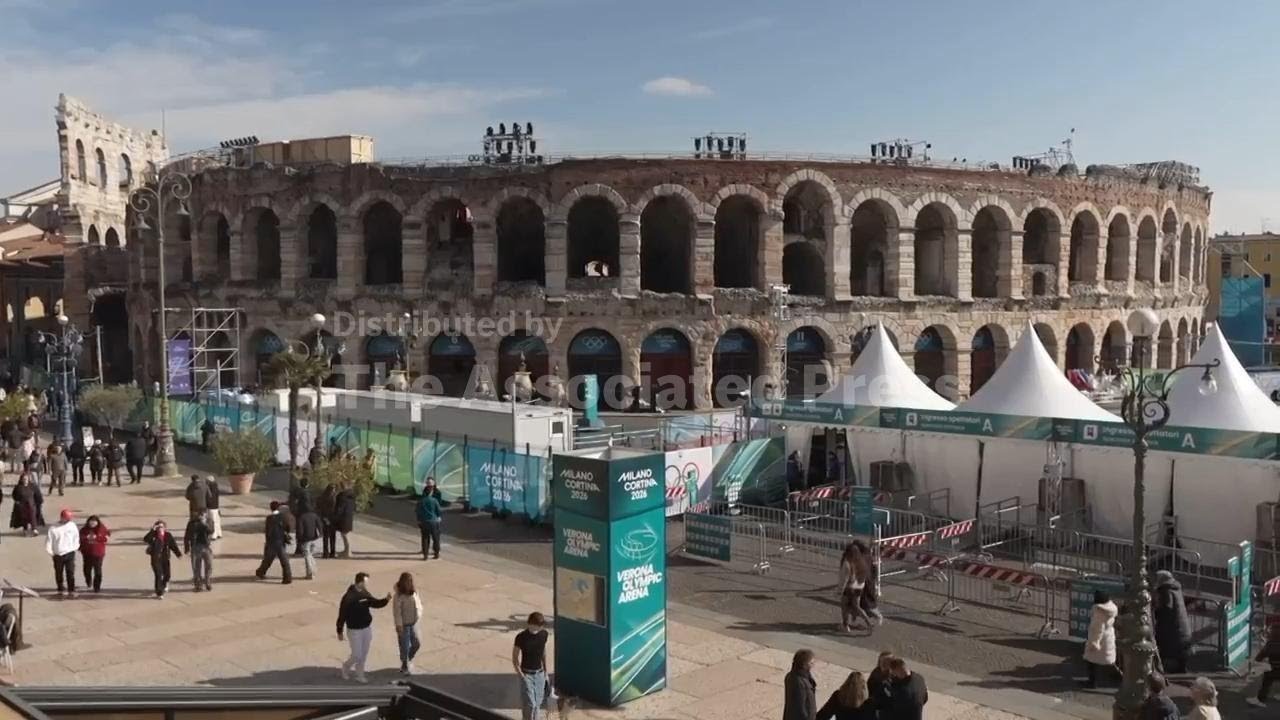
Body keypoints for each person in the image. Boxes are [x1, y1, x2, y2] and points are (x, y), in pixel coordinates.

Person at [336, 572, 391, 683]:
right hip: (354, 630)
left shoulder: (365, 593)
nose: (367, 584)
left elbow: (375, 603)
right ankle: (346, 667)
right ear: (360, 582)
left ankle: (359, 674)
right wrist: (339, 631)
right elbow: (341, 615)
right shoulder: (348, 597)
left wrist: (386, 600)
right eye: (366, 582)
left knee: (364, 654)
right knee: (356, 655)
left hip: (366, 628)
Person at [513, 612, 550, 720]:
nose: (541, 627)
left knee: (537, 705)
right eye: (540, 625)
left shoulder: (543, 634)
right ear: (532, 624)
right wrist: (521, 676)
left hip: (539, 674)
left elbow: (543, 652)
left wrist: (546, 672)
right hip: (526, 674)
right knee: (530, 705)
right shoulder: (521, 637)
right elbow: (515, 658)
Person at [1152, 570, 1191, 675]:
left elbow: (1166, 608)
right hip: (1181, 626)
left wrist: (1156, 611)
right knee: (1179, 650)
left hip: (1172, 626)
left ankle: (1172, 671)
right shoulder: (1176, 589)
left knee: (1170, 649)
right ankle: (1182, 669)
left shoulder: (1166, 590)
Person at [1082, 590, 1119, 688]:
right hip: (1108, 637)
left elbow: (1097, 630)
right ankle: (1118, 674)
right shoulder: (1111, 609)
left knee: (1092, 661)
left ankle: (1092, 682)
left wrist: (1094, 643)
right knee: (1108, 660)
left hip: (1100, 640)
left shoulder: (1099, 612)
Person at [255, 501, 293, 584]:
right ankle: (287, 577)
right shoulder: (283, 517)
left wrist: (267, 542)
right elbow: (288, 527)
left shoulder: (269, 518)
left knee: (268, 559)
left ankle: (260, 572)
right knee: (284, 561)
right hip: (280, 541)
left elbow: (267, 531)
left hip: (272, 541)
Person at [392, 572, 423, 675]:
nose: (409, 583)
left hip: (413, 623)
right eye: (407, 581)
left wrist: (419, 614)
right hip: (404, 625)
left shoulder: (414, 592)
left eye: (410, 581)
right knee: (404, 646)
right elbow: (397, 612)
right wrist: (399, 625)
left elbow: (418, 604)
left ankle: (407, 659)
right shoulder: (398, 595)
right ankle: (405, 665)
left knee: (417, 643)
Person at [45, 508, 80, 598]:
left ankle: (71, 590)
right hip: (58, 554)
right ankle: (60, 589)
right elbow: (49, 541)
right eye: (66, 519)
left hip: (70, 552)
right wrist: (51, 552)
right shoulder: (53, 528)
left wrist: (74, 548)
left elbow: (76, 537)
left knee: (70, 572)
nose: (67, 521)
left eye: (69, 519)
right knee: (59, 572)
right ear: (61, 517)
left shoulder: (72, 526)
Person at [837, 542, 871, 633]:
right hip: (859, 587)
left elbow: (844, 579)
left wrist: (840, 590)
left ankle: (845, 625)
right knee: (857, 606)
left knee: (844, 606)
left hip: (849, 588)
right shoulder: (861, 562)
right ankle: (868, 622)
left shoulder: (847, 563)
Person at [143, 519, 182, 599]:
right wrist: (152, 530)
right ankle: (159, 593)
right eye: (158, 527)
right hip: (155, 559)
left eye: (162, 526)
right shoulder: (153, 535)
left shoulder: (168, 535)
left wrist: (178, 554)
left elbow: (173, 545)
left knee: (167, 575)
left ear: (165, 528)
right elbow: (146, 539)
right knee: (158, 575)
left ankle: (163, 585)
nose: (160, 528)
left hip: (165, 558)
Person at [1247, 623, 1280, 707]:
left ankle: (1260, 699)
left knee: (1267, 679)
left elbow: (1259, 658)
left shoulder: (1270, 644)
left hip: (1275, 670)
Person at [184, 509, 214, 592]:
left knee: (209, 565)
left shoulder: (209, 522)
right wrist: (187, 548)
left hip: (206, 547)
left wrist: (204, 524)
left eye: (204, 515)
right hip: (195, 546)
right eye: (200, 514)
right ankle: (198, 584)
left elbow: (211, 531)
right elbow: (187, 536)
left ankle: (207, 581)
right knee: (196, 567)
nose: (202, 516)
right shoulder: (192, 523)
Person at [783, 648, 818, 720]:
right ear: (804, 664)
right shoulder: (799, 682)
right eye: (811, 663)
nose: (813, 664)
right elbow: (800, 707)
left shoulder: (796, 675)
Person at [79, 514, 110, 593]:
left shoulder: (102, 529)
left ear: (97, 522)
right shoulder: (84, 530)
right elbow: (79, 538)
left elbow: (106, 537)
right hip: (87, 553)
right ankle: (88, 581)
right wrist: (86, 538)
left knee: (98, 571)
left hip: (98, 554)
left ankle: (97, 587)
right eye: (91, 521)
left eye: (94, 521)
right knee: (87, 569)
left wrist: (98, 537)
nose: (93, 523)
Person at [416, 478, 442, 560]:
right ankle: (436, 553)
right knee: (436, 538)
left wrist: (419, 520)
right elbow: (438, 510)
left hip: (424, 521)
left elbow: (418, 511)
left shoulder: (421, 501)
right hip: (433, 521)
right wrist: (438, 517)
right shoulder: (434, 500)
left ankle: (425, 555)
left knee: (425, 538)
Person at [288, 475, 314, 557]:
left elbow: (291, 502)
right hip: (305, 514)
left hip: (298, 514)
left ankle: (299, 549)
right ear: (307, 484)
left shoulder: (296, 492)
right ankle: (303, 549)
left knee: (299, 532)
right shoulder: (307, 493)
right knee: (306, 531)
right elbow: (308, 505)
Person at [296, 502, 322, 580]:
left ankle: (310, 573)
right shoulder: (315, 516)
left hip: (306, 539)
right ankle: (313, 570)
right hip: (314, 538)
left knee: (307, 556)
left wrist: (299, 540)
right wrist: (320, 534)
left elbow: (300, 530)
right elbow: (320, 526)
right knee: (310, 555)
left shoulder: (302, 517)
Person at [334, 482, 356, 558]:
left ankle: (348, 552)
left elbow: (339, 509)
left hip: (343, 518)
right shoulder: (351, 495)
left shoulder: (342, 496)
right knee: (346, 534)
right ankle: (347, 550)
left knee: (345, 535)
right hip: (349, 517)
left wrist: (335, 517)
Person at [318, 482, 339, 559]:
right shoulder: (334, 497)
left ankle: (326, 553)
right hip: (331, 519)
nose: (333, 490)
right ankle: (331, 553)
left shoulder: (323, 497)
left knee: (326, 537)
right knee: (331, 537)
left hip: (326, 519)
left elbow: (320, 509)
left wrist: (324, 518)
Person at [205, 475, 223, 540]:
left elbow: (209, 498)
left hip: (211, 507)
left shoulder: (209, 488)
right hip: (216, 506)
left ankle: (214, 534)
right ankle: (219, 533)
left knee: (212, 521)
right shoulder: (216, 487)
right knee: (217, 520)